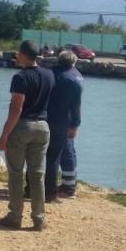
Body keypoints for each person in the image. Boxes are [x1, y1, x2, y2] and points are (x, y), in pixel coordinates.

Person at [0, 40, 53, 231]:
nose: (16, 56)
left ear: (24, 55)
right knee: (37, 174)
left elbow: (17, 107)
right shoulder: (49, 74)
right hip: (43, 127)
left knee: (15, 173)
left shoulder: (20, 77)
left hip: (23, 127)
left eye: (18, 53)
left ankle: (15, 216)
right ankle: (39, 218)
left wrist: (5, 134)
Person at [52, 51, 83, 198]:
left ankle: (67, 187)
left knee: (63, 151)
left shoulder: (57, 75)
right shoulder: (76, 75)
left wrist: (75, 124)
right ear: (73, 62)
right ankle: (70, 183)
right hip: (69, 119)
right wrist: (76, 123)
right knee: (69, 151)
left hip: (57, 118)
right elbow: (77, 105)